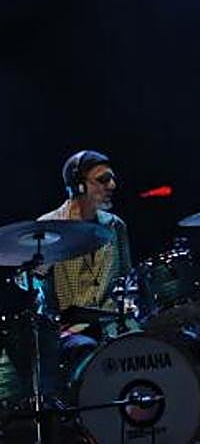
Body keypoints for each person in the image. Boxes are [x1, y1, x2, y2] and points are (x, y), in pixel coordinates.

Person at [37, 150, 133, 375]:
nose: (112, 185)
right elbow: (27, 283)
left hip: (111, 321)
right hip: (68, 327)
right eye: (103, 180)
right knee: (86, 351)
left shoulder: (116, 226)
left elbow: (126, 278)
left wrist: (128, 300)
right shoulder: (48, 228)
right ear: (78, 186)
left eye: (112, 179)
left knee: (147, 347)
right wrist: (39, 269)